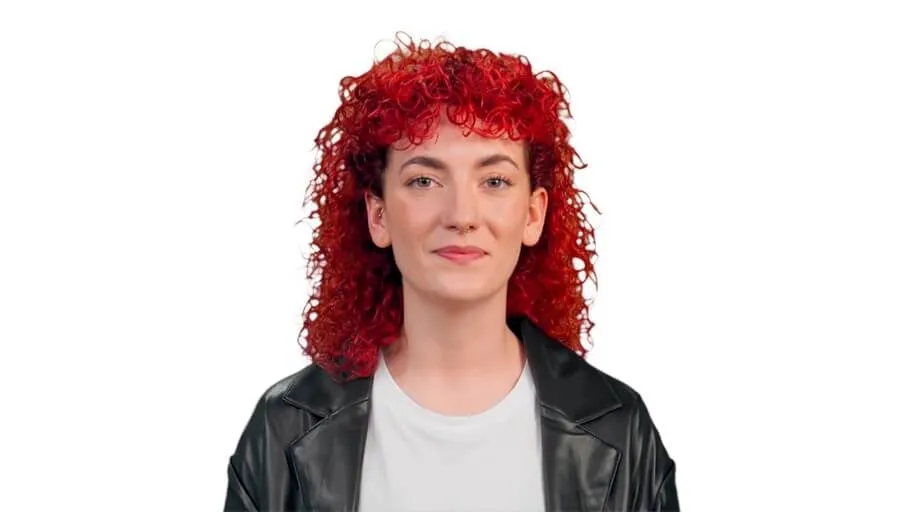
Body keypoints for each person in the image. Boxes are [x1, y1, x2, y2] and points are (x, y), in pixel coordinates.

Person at [223, 33, 679, 512]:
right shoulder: (285, 429)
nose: (462, 215)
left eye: (495, 181)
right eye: (424, 180)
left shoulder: (620, 429)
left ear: (533, 214)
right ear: (378, 215)